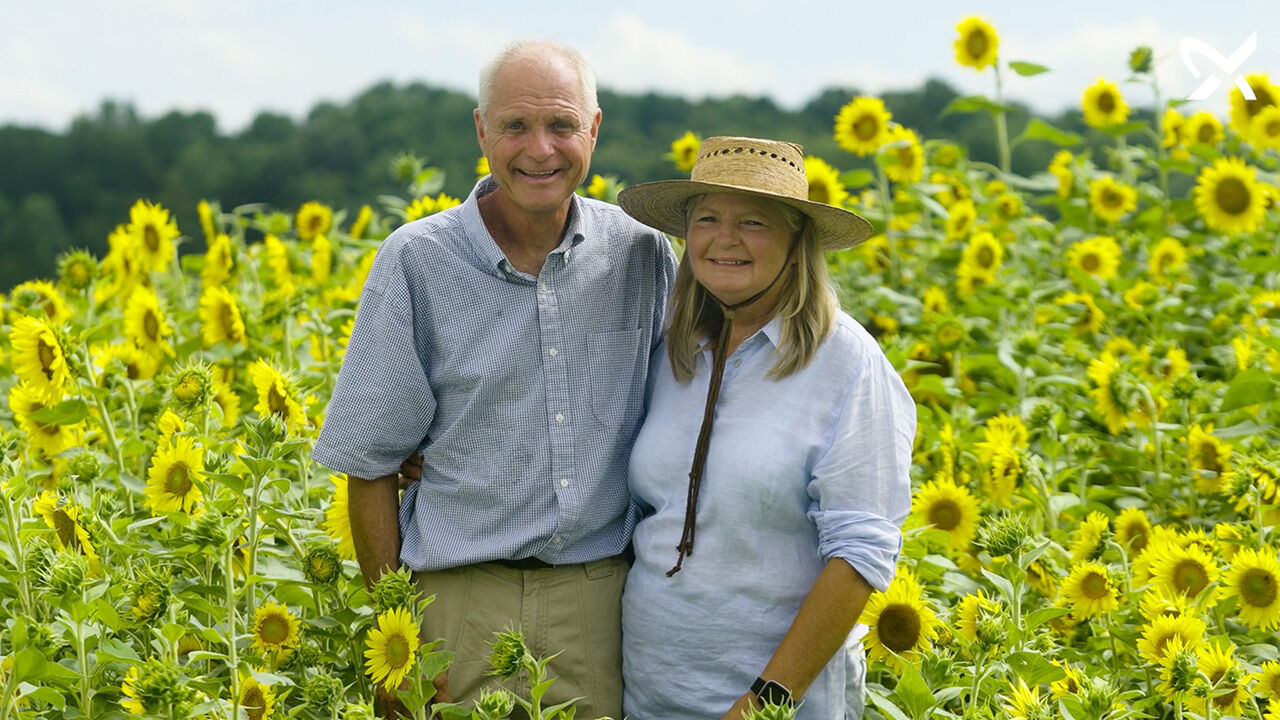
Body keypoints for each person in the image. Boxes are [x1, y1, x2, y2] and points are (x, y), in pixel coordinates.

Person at [312, 39, 677, 719]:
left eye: (562, 125)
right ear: (481, 131)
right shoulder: (417, 262)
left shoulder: (642, 256)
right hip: (455, 604)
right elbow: (369, 466)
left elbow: (685, 422)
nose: (540, 149)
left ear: (593, 129)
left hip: (598, 603)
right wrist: (399, 638)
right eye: (515, 126)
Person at [615, 136, 915, 720]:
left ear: (798, 242)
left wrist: (765, 702)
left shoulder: (848, 364)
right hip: (649, 696)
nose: (724, 239)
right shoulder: (674, 353)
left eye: (752, 221)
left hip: (779, 707)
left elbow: (860, 556)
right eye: (707, 219)